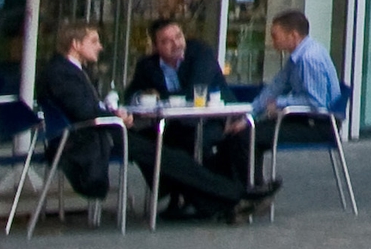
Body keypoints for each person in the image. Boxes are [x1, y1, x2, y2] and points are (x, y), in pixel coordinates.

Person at [123, 16, 270, 218]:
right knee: (161, 142)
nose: (175, 44)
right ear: (156, 46)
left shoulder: (200, 53)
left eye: (178, 36)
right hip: (175, 124)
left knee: (192, 142)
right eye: (166, 41)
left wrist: (160, 96)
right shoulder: (148, 65)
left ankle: (207, 197)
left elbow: (194, 91)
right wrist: (142, 97)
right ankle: (196, 197)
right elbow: (131, 95)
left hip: (215, 119)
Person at [34, 21, 121, 207]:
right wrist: (116, 117)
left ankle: (186, 193)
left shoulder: (69, 70)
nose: (100, 46)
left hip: (86, 135)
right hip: (80, 140)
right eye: (94, 41)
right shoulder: (62, 73)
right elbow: (84, 111)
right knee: (155, 149)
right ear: (76, 44)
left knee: (156, 148)